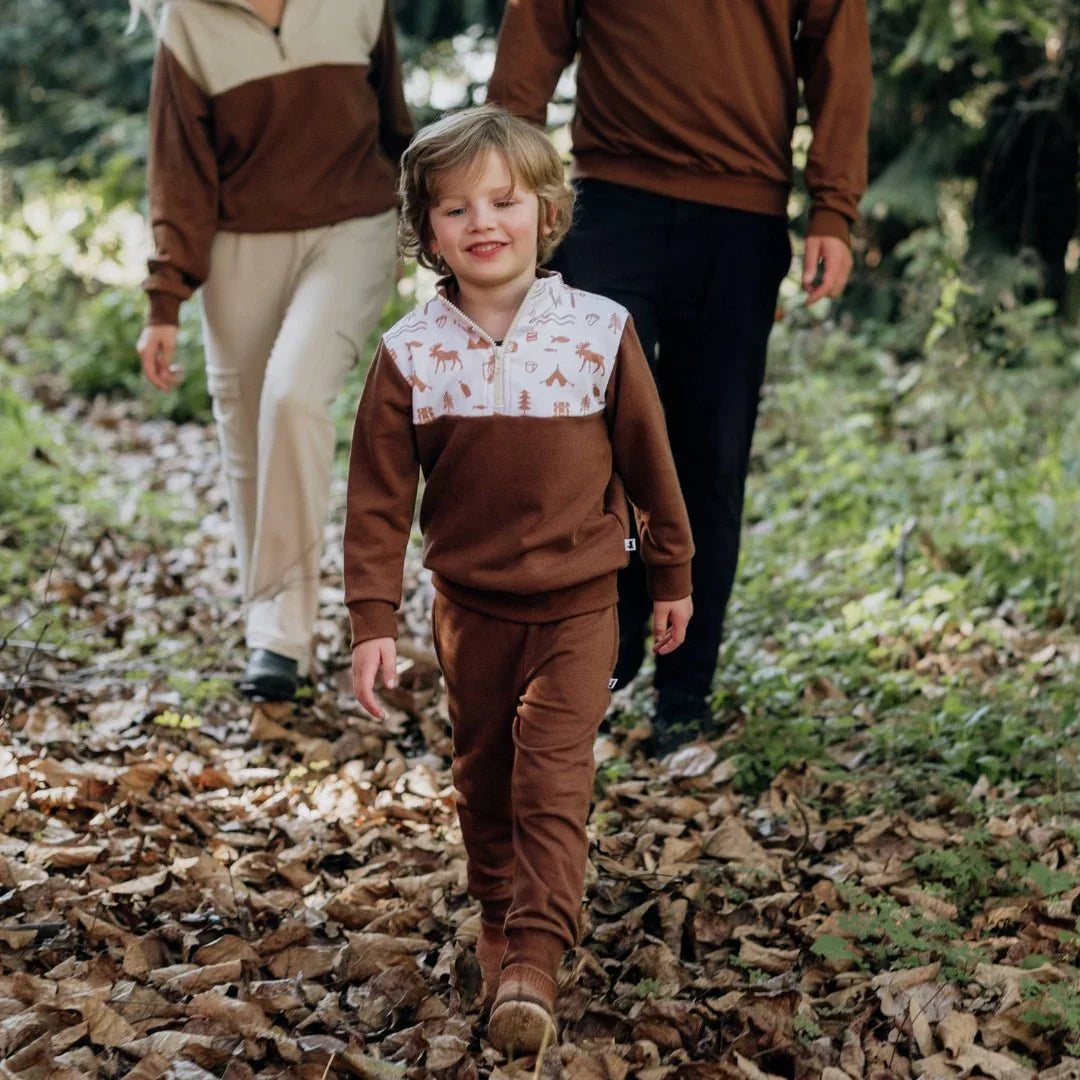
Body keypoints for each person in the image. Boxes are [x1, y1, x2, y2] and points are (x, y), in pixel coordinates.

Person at [343, 105, 693, 1053]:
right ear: (427, 231)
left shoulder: (598, 332)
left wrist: (671, 571)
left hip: (582, 603)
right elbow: (377, 499)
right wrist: (372, 619)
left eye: (504, 201)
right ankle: (497, 911)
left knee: (552, 775)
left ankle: (536, 953)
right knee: (485, 776)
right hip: (471, 610)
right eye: (456, 208)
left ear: (547, 211)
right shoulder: (410, 353)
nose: (483, 222)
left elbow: (649, 460)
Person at [488, 0, 872, 753]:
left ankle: (684, 693)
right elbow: (535, 32)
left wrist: (834, 207)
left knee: (711, 456)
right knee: (589, 448)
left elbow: (838, 51)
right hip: (609, 208)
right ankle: (602, 652)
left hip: (740, 219)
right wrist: (503, 191)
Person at [134, 0, 412, 700]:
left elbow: (396, 123)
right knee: (250, 439)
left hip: (355, 227)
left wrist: (439, 225)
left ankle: (281, 637)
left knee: (293, 397)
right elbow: (178, 167)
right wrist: (165, 297)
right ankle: (276, 635)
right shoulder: (187, 23)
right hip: (238, 242)